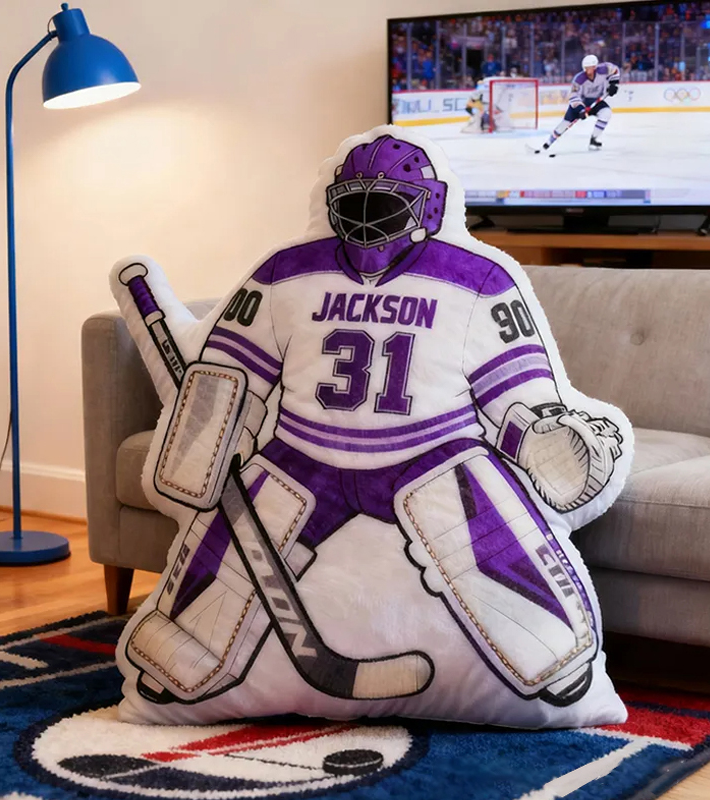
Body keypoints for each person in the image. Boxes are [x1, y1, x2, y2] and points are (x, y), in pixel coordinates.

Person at [119, 134, 623, 709]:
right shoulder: (286, 272)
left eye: (382, 206)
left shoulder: (478, 278)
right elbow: (232, 369)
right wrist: (216, 433)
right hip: (304, 453)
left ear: (427, 208)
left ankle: (550, 650)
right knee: (239, 539)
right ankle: (184, 656)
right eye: (352, 206)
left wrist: (542, 437)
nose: (364, 224)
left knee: (482, 523)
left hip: (431, 452)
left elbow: (515, 393)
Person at [541, 54, 620, 151]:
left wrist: (613, 83)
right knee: (565, 123)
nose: (587, 70)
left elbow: (615, 70)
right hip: (580, 103)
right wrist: (581, 110)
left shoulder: (604, 69)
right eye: (585, 68)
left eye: (589, 68)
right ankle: (549, 142)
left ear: (594, 67)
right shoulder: (579, 79)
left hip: (596, 101)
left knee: (606, 113)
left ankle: (594, 140)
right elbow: (574, 96)